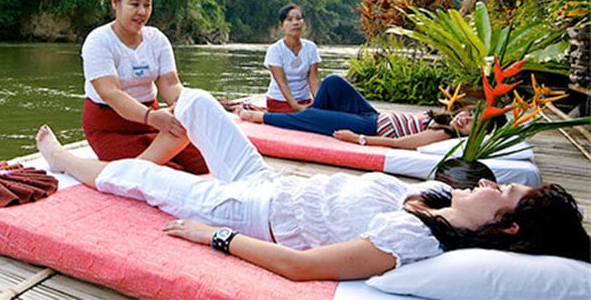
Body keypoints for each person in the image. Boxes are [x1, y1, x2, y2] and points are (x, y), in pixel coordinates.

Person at [36, 88, 589, 281]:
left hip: (249, 211)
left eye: (504, 192)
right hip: (272, 183)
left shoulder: (416, 239)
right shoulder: (445, 203)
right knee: (201, 103)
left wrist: (212, 237)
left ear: (507, 224)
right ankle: (159, 160)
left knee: (135, 176)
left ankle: (64, 160)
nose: (491, 182)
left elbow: (300, 268)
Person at [82, 0, 207, 174]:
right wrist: (152, 117)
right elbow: (110, 93)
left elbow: (169, 83)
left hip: (152, 121)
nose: (142, 12)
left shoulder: (156, 39)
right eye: (134, 4)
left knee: (203, 163)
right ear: (115, 2)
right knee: (167, 173)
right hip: (111, 125)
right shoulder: (99, 41)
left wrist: (183, 105)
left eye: (147, 5)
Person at [239, 74, 506, 150]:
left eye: (471, 123)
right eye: (470, 113)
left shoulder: (444, 135)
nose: (464, 118)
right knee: (333, 82)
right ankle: (308, 120)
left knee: (315, 117)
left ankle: (262, 117)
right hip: (374, 115)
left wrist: (358, 139)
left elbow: (398, 143)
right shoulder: (447, 120)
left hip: (370, 127)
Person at [264, 4, 321, 113]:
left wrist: (318, 102)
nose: (295, 23)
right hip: (280, 102)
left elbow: (313, 78)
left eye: (298, 19)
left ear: (303, 23)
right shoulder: (275, 50)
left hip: (304, 100)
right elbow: (282, 82)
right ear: (281, 25)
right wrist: (296, 107)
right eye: (289, 20)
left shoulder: (311, 47)